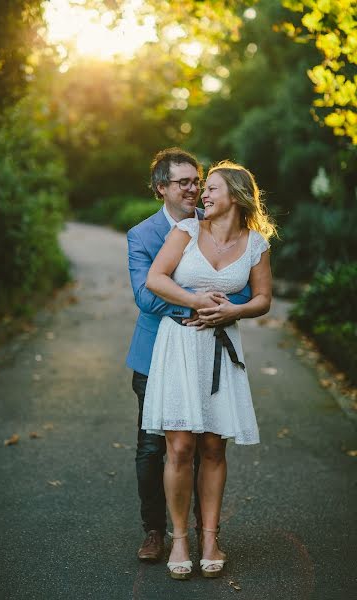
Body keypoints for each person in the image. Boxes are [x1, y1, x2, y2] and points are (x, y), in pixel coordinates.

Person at [142, 159, 275, 579]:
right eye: (204, 188)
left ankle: (211, 537)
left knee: (214, 448)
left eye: (212, 188)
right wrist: (199, 302)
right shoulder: (185, 232)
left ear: (235, 195)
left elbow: (263, 299)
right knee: (180, 447)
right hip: (179, 345)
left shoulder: (256, 244)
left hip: (221, 348)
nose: (204, 194)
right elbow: (155, 279)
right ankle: (179, 538)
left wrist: (233, 311)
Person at [126, 149, 251, 563]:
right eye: (184, 182)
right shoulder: (143, 235)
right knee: (154, 449)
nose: (194, 188)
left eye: (197, 181)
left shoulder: (215, 226)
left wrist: (222, 307)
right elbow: (146, 295)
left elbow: (245, 285)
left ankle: (204, 534)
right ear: (161, 188)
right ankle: (155, 531)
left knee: (206, 443)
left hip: (209, 350)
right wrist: (195, 307)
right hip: (156, 354)